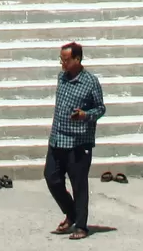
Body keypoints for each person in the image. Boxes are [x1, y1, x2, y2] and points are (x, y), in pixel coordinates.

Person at [44, 41, 106, 239]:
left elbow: (100, 108)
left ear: (77, 59)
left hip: (79, 143)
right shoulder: (61, 78)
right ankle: (71, 213)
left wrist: (84, 115)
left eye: (66, 59)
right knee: (52, 178)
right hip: (57, 139)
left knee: (79, 184)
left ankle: (81, 225)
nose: (62, 63)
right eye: (61, 59)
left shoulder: (90, 82)